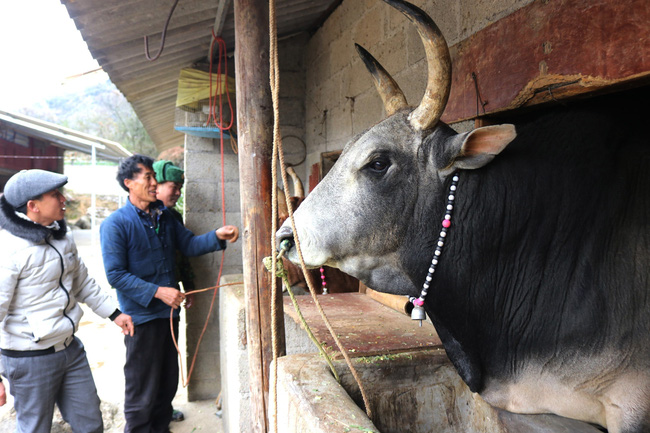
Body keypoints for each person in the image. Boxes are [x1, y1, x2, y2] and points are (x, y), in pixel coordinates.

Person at [100, 155, 239, 433]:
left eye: (154, 177)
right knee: (143, 388)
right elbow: (115, 275)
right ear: (129, 183)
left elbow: (188, 244)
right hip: (142, 317)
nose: (154, 183)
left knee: (166, 382)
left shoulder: (165, 216)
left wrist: (217, 236)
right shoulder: (116, 224)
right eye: (148, 178)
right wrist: (159, 292)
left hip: (169, 316)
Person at [0, 169, 134, 433]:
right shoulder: (9, 249)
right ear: (33, 206)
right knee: (35, 428)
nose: (64, 199)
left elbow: (82, 282)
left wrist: (114, 313)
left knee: (91, 424)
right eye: (55, 194)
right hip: (28, 358)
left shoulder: (61, 236)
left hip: (70, 348)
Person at [152, 159, 191, 422]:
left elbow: (184, 256)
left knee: (168, 363)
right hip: (146, 308)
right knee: (148, 368)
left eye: (179, 188)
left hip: (171, 302)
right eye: (172, 187)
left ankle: (164, 411)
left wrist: (189, 287)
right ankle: (149, 418)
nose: (176, 192)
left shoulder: (173, 217)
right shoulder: (135, 218)